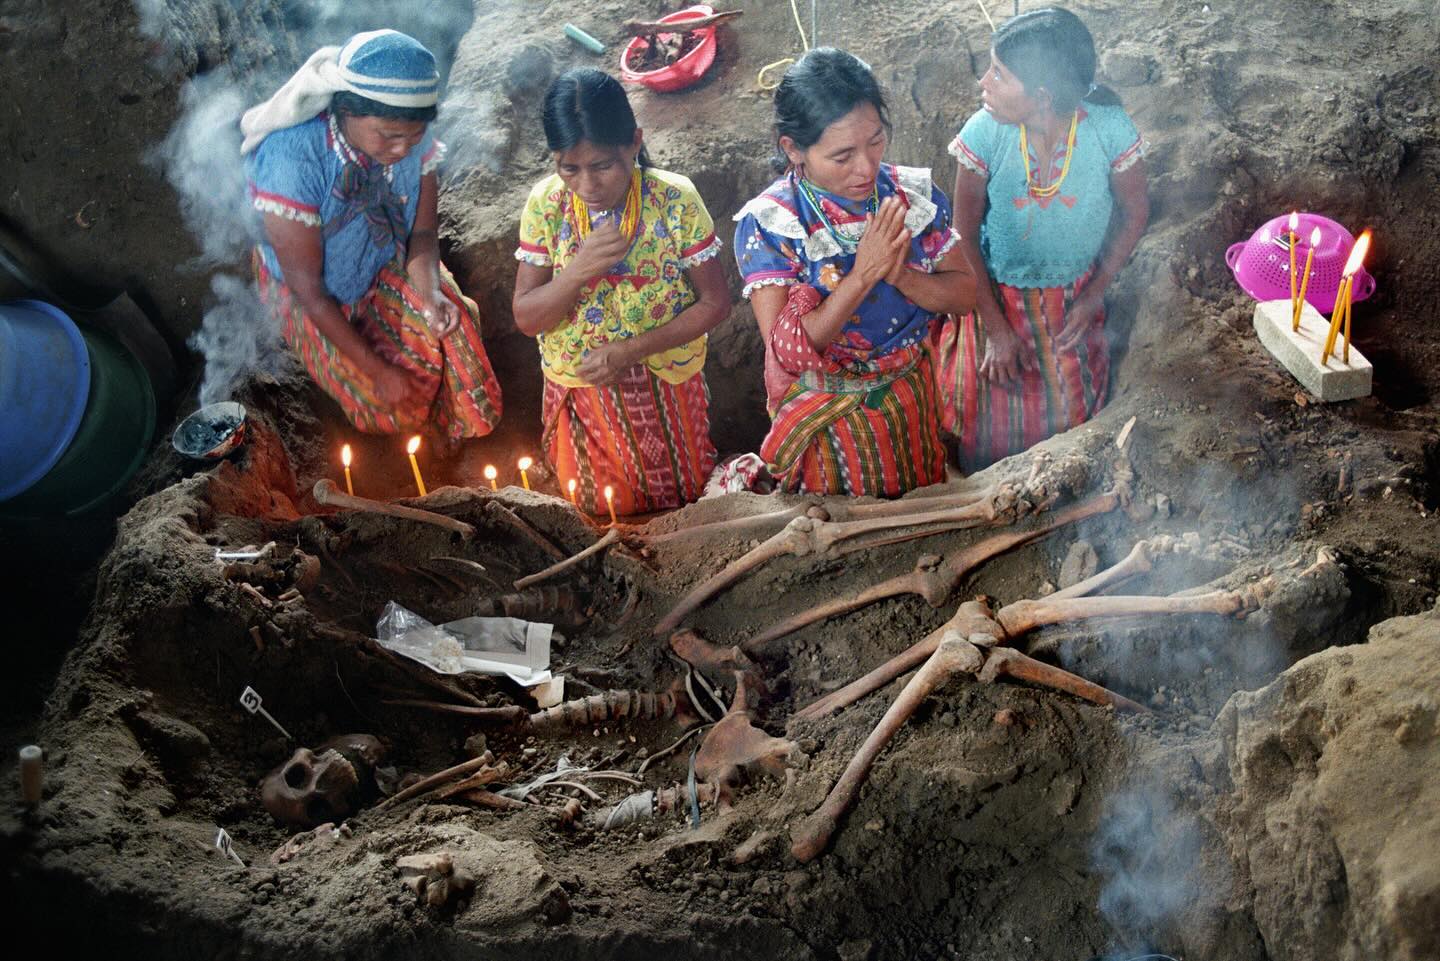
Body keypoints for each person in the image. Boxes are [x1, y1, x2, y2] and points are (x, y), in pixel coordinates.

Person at [733, 48, 974, 498]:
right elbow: (789, 352)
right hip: (826, 413)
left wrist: (900, 275)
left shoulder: (911, 196)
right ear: (793, 148)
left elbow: (964, 295)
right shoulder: (772, 223)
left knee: (918, 512)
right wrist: (863, 275)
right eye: (842, 155)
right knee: (837, 523)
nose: (866, 168)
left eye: (876, 141)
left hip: (908, 397)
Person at [243, 29, 502, 445]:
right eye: (387, 135)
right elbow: (308, 290)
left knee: (454, 323)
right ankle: (411, 427)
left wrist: (431, 294)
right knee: (386, 397)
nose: (402, 149)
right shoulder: (293, 159)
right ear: (344, 110)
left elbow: (421, 234)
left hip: (381, 260)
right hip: (313, 296)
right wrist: (378, 372)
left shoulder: (411, 139)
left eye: (413, 137)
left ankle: (448, 426)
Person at [936, 7, 1147, 472]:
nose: (984, 83)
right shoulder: (985, 131)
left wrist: (1094, 294)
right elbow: (962, 233)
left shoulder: (1108, 131)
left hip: (1069, 308)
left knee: (1069, 432)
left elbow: (1135, 212)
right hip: (989, 301)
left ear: (1043, 96)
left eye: (1000, 74)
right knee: (980, 420)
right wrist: (995, 330)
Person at [512, 68, 729, 516]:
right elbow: (528, 317)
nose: (587, 186)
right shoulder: (547, 205)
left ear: (633, 142)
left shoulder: (673, 200)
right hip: (583, 392)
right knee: (596, 513)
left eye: (602, 166)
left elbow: (715, 303)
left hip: (665, 382)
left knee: (682, 502)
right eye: (569, 168)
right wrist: (578, 270)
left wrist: (630, 351)